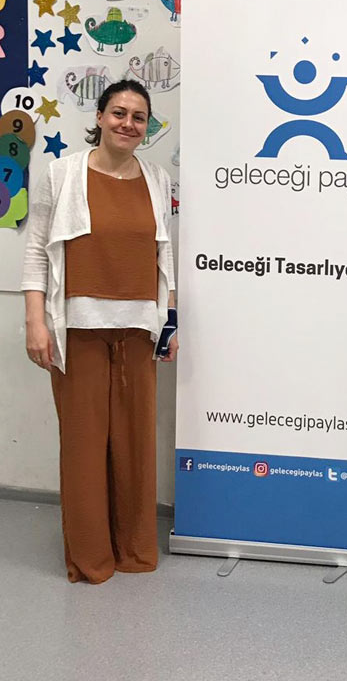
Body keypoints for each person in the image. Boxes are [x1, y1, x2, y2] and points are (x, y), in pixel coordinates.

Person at [22, 79, 178, 584]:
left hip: (138, 331)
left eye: (138, 117)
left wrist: (169, 322)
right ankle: (91, 558)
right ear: (100, 116)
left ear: (146, 126)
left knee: (135, 447)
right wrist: (35, 321)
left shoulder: (157, 179)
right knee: (85, 447)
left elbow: (163, 256)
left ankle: (134, 549)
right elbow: (36, 252)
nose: (128, 123)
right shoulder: (62, 173)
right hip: (79, 331)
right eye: (119, 112)